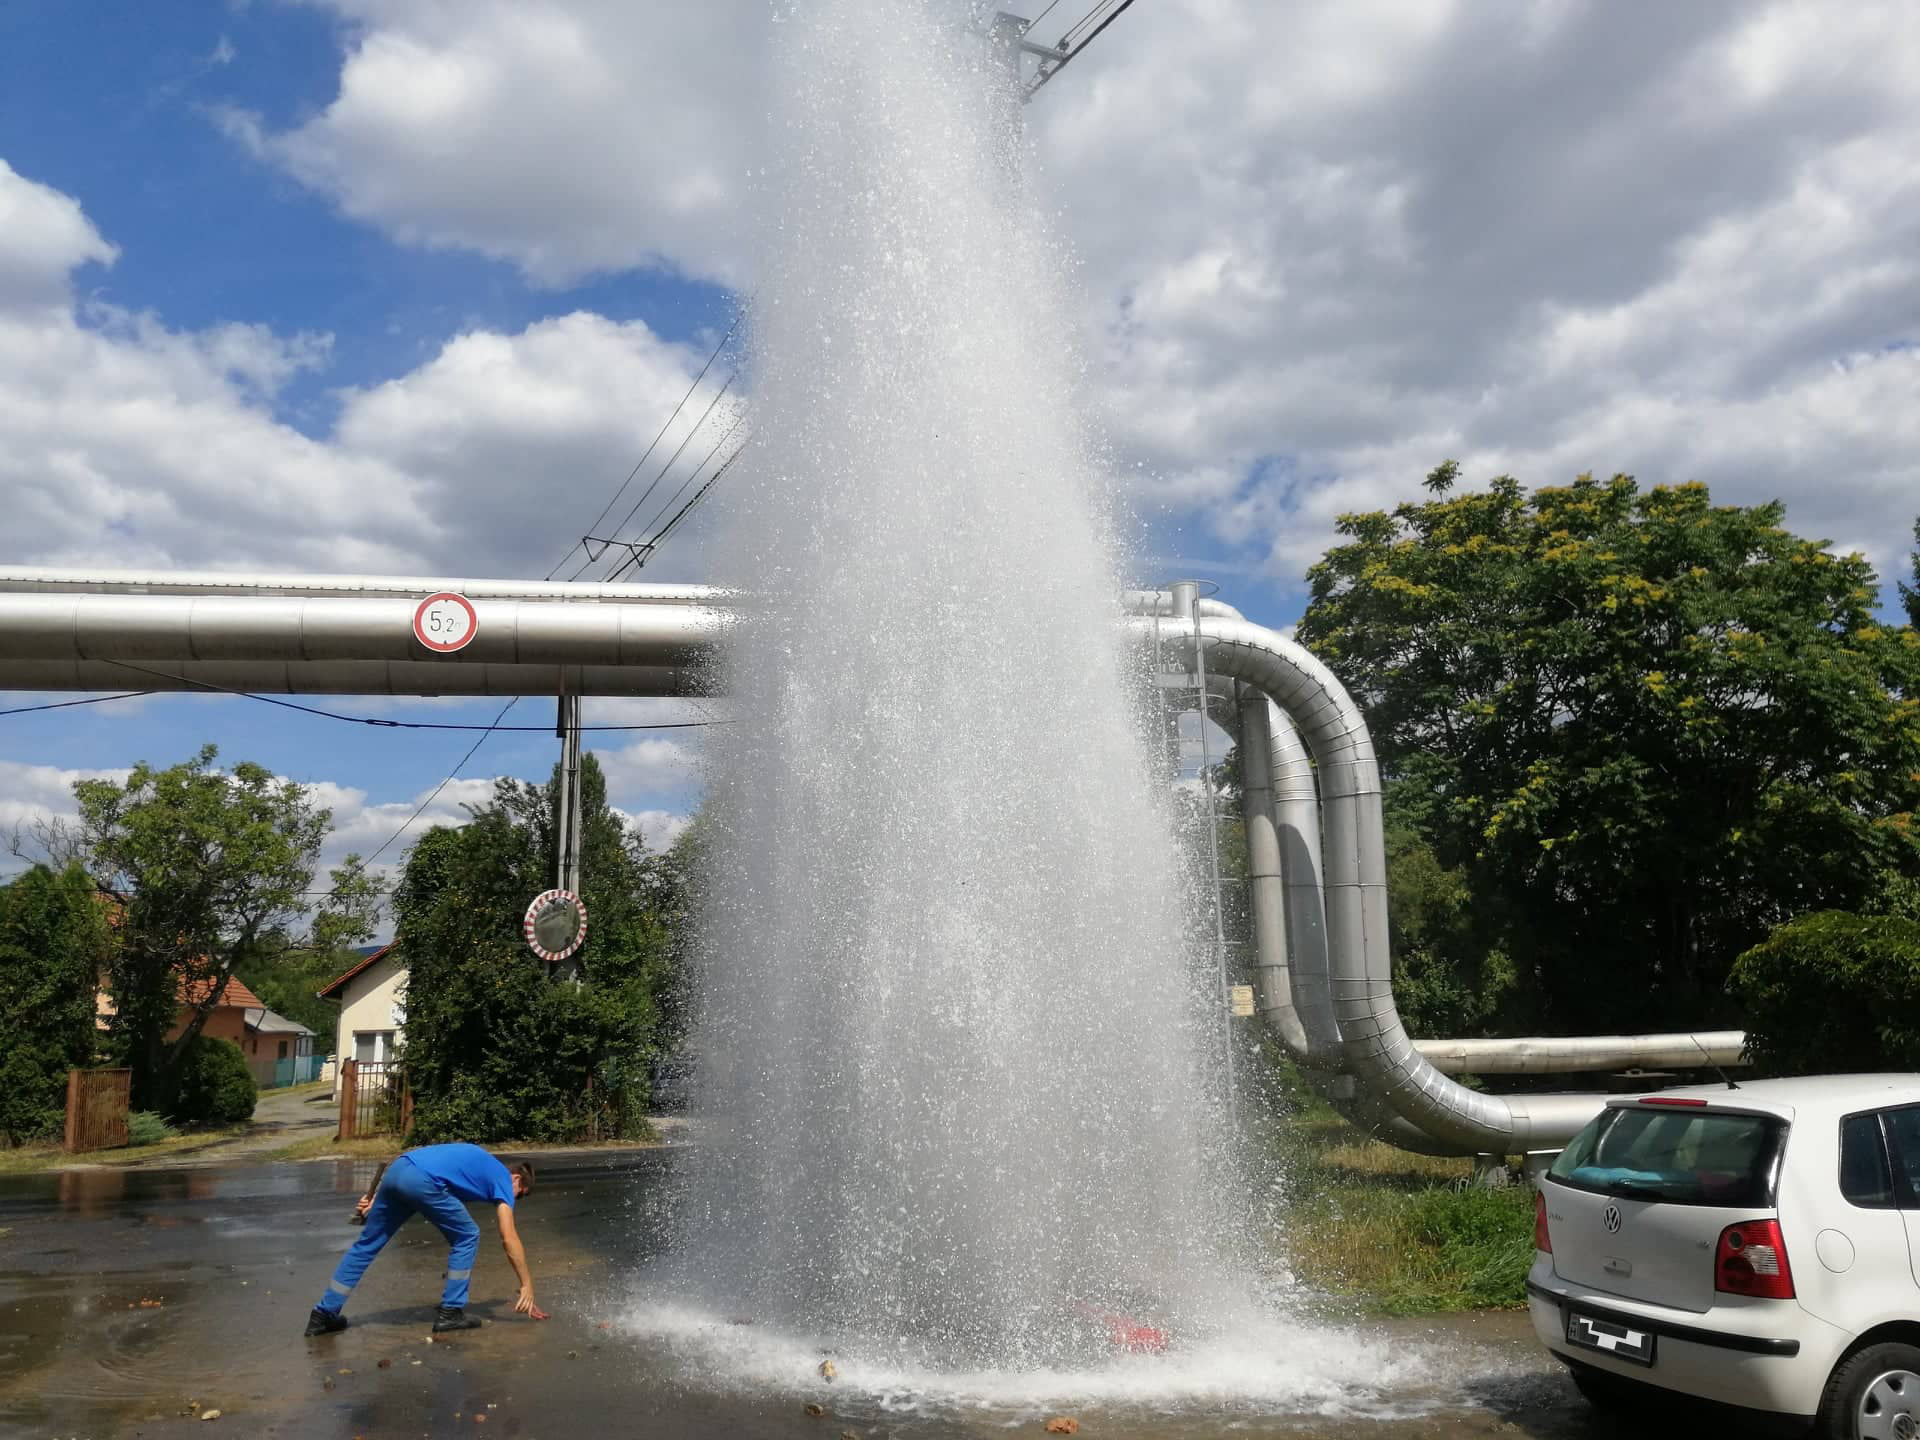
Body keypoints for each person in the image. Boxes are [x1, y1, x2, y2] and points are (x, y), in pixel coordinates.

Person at [304, 1142, 539, 1336]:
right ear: (517, 1179)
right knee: (467, 1235)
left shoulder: (480, 1166)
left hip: (399, 1169)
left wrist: (377, 1201)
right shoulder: (502, 1178)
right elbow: (508, 1237)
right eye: (520, 1196)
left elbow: (429, 1169)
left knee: (366, 1245)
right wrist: (526, 1284)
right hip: (422, 1179)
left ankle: (322, 1315)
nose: (514, 1200)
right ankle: (451, 1312)